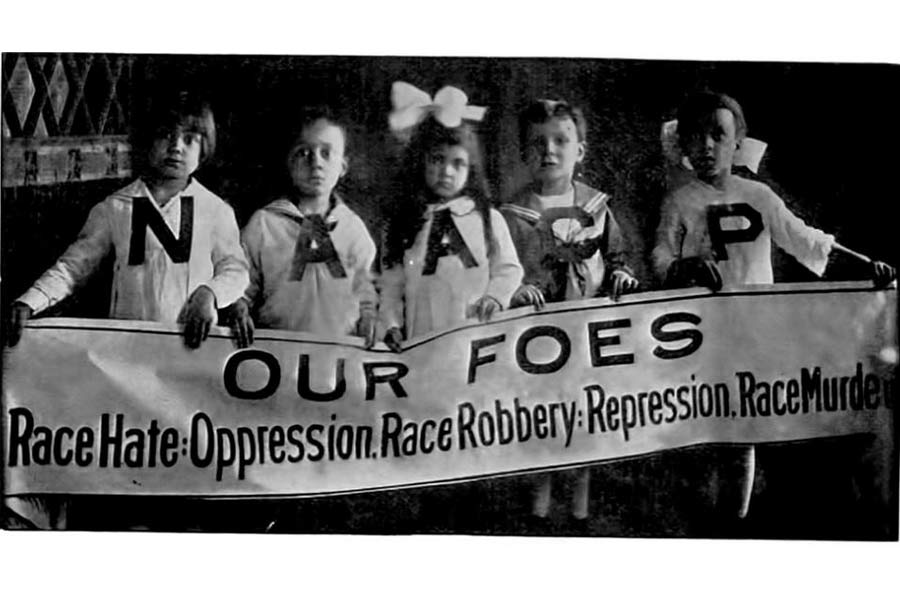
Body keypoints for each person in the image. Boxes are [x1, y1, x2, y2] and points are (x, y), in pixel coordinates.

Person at [3, 90, 249, 529]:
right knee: (128, 466)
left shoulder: (215, 211)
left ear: (204, 149)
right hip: (127, 369)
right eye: (166, 135)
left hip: (188, 367)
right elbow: (74, 266)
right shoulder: (116, 207)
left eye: (190, 138)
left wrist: (211, 293)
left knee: (183, 469)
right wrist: (29, 299)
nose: (176, 146)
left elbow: (235, 269)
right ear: (146, 141)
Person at [652, 90, 896, 520]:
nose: (706, 145)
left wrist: (866, 268)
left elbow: (804, 239)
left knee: (742, 428)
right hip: (697, 333)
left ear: (736, 141)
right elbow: (660, 256)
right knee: (697, 427)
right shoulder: (679, 201)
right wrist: (684, 268)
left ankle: (733, 521)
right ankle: (693, 519)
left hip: (751, 331)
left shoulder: (758, 195)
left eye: (717, 135)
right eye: (696, 136)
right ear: (684, 144)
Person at [501, 99, 639, 526]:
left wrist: (621, 275)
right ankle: (537, 512)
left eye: (561, 140)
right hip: (538, 338)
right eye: (538, 143)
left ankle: (580, 512)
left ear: (580, 150)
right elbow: (502, 270)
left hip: (588, 331)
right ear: (524, 153)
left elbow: (617, 256)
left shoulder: (596, 207)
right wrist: (516, 291)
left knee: (585, 421)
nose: (550, 150)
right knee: (542, 421)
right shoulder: (511, 216)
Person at [378, 83, 522, 348]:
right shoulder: (404, 222)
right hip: (423, 334)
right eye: (437, 160)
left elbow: (508, 269)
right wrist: (390, 325)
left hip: (475, 331)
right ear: (420, 161)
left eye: (458, 163)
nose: (447, 171)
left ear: (471, 169)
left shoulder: (487, 219)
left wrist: (495, 297)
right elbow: (392, 286)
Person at [229, 107, 377, 348]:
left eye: (326, 153)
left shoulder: (353, 229)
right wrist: (239, 309)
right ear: (289, 163)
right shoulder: (265, 223)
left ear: (343, 167)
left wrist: (369, 317)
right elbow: (242, 285)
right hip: (278, 350)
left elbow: (365, 289)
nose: (315, 162)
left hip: (340, 352)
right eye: (303, 153)